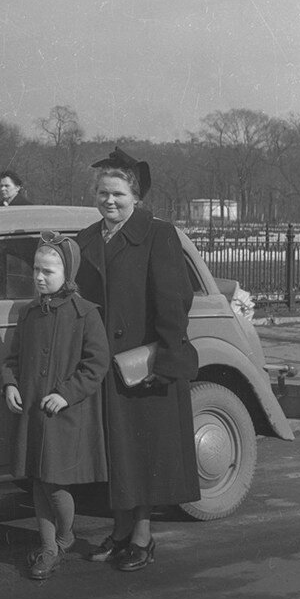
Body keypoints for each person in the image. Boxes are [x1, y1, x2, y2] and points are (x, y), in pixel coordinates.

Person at [75, 147, 199, 572]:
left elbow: (173, 303)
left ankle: (142, 536)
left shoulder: (158, 234)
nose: (109, 201)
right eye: (103, 194)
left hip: (142, 365)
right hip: (104, 365)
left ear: (136, 198)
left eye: (118, 195)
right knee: (119, 454)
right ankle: (121, 530)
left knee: (142, 454)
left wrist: (162, 361)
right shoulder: (88, 238)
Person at [1, 233, 110, 579]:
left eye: (47, 271)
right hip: (33, 409)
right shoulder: (29, 313)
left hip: (65, 414)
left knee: (55, 483)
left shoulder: (85, 314)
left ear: (68, 273)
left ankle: (64, 535)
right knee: (38, 478)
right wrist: (10, 384)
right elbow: (13, 358)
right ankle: (49, 549)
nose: (38, 277)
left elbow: (97, 365)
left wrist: (66, 393)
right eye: (35, 269)